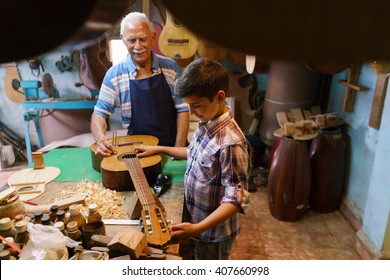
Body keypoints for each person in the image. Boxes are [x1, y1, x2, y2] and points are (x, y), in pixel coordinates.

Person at [135, 58, 251, 260]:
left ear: (219, 96)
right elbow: (194, 153)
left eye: (196, 105)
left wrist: (197, 228)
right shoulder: (207, 122)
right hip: (198, 224)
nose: (191, 112)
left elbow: (235, 199)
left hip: (213, 235)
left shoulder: (230, 143)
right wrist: (159, 149)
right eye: (188, 105)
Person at [91, 12, 189, 156]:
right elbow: (99, 113)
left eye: (143, 39)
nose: (138, 46)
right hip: (137, 151)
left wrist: (178, 147)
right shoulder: (114, 75)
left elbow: (183, 109)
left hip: (171, 147)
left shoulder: (171, 68)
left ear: (153, 37)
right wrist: (101, 139)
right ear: (123, 40)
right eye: (131, 40)